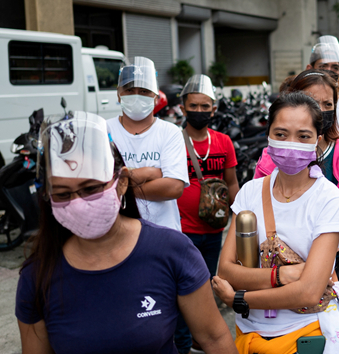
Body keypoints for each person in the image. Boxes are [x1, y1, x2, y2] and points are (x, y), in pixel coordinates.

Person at [16, 112, 237, 354]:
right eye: (62, 194)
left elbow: (214, 339)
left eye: (91, 188)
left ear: (121, 181)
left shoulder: (173, 251)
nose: (78, 203)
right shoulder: (37, 275)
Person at [212, 92, 339, 353]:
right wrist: (282, 275)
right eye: (282, 134)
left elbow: (309, 292)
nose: (292, 144)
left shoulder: (329, 199)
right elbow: (226, 271)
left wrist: (239, 298)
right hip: (250, 333)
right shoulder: (250, 192)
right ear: (268, 136)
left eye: (303, 136)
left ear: (318, 140)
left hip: (307, 333)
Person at [255, 70, 339, 299]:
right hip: (276, 268)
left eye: (328, 104)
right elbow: (256, 217)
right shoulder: (270, 157)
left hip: (334, 267)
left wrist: (314, 262)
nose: (321, 110)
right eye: (312, 102)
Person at [175, 74, 240, 354]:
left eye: (205, 107)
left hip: (214, 230)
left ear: (213, 109)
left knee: (204, 287)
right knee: (180, 289)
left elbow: (233, 182)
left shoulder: (223, 141)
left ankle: (200, 336)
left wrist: (240, 218)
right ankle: (183, 341)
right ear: (182, 107)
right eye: (194, 106)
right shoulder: (173, 140)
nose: (199, 111)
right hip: (180, 230)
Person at [107, 57, 189, 231]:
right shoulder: (104, 130)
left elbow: (174, 187)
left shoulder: (170, 132)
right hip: (117, 234)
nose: (136, 96)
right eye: (130, 90)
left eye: (144, 91)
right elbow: (100, 186)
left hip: (164, 233)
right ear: (118, 93)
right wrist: (151, 173)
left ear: (156, 96)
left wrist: (121, 186)